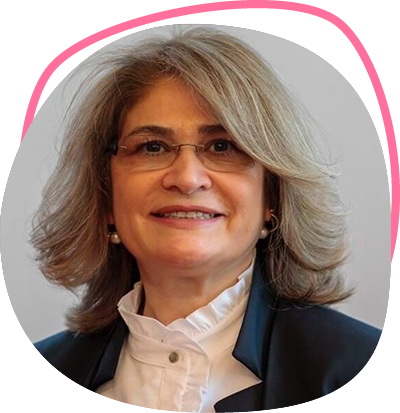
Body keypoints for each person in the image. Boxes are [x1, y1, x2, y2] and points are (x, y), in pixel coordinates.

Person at [1, 27, 390, 413]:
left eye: (222, 146)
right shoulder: (35, 384)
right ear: (104, 194)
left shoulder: (367, 376)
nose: (187, 178)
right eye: (152, 147)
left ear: (271, 196)